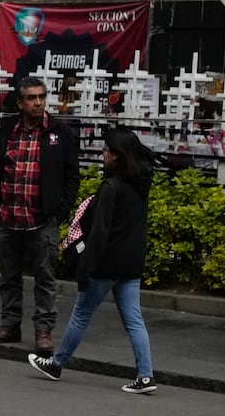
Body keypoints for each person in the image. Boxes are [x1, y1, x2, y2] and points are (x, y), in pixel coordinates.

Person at [26, 124, 158, 392]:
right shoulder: (140, 184)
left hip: (106, 262)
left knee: (81, 315)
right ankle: (146, 375)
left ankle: (57, 363)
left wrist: (85, 268)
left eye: (107, 151)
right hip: (131, 264)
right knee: (134, 320)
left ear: (117, 156)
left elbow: (99, 233)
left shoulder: (110, 188)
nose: (103, 154)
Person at [0, 77, 81, 354]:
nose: (38, 103)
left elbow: (73, 175)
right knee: (9, 276)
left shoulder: (59, 131)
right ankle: (10, 324)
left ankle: (43, 330)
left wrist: (59, 212)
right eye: (32, 98)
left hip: (41, 220)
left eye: (41, 97)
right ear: (20, 103)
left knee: (45, 279)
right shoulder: (7, 129)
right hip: (7, 216)